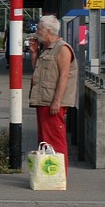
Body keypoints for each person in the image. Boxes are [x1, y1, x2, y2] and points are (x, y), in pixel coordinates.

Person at [27, 14, 76, 173]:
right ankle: (48, 175)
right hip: (43, 100)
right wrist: (34, 54)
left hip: (52, 103)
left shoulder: (62, 49)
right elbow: (39, 74)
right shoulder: (46, 49)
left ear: (48, 31)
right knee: (45, 141)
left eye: (39, 28)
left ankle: (60, 175)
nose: (37, 31)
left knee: (55, 139)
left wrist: (57, 101)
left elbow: (64, 76)